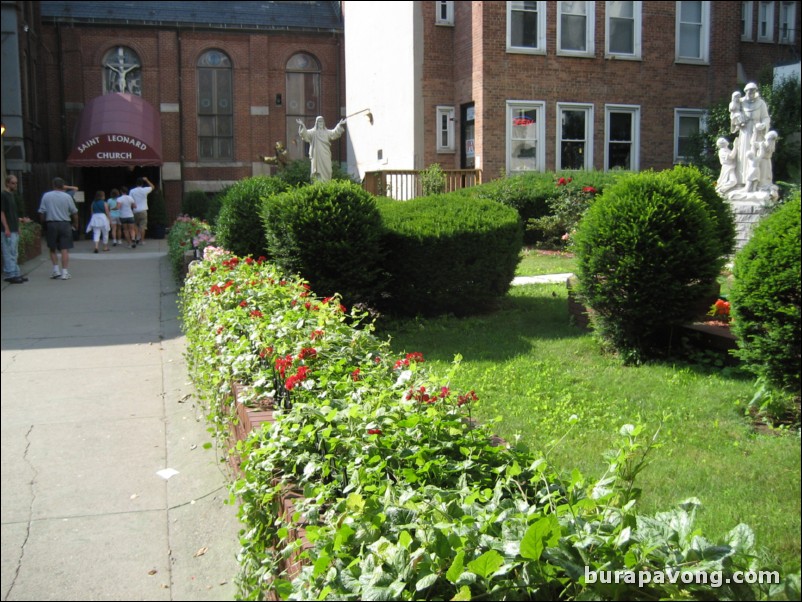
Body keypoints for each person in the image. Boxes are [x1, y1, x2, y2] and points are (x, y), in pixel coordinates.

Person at [38, 177, 79, 280]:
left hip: (51, 223)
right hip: (65, 223)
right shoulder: (67, 197)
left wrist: (43, 223)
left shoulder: (46, 196)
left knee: (52, 248)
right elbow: (74, 212)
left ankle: (55, 270)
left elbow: (41, 212)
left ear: (53, 185)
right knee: (64, 248)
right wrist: (75, 224)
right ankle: (65, 272)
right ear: (63, 186)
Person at [733, 82, 770, 188]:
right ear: (745, 91)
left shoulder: (761, 103)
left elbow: (766, 117)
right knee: (744, 154)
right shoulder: (741, 102)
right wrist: (738, 118)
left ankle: (756, 182)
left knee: (757, 154)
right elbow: (734, 113)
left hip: (757, 132)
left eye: (753, 90)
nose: (751, 92)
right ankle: (742, 181)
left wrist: (763, 125)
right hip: (745, 132)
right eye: (749, 90)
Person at [296, 116, 346, 182]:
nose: (320, 123)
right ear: (316, 123)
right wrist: (302, 125)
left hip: (326, 154)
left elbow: (334, 133)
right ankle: (318, 183)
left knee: (328, 169)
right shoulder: (313, 132)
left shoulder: (327, 132)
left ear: (324, 123)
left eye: (322, 121)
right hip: (317, 155)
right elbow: (306, 134)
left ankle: (327, 183)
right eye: (319, 121)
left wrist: (339, 125)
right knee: (317, 171)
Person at [2, 174, 27, 284]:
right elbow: (2, 212)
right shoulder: (3, 195)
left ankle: (15, 272)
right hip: (7, 229)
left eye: (16, 183)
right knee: (9, 251)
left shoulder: (12, 195)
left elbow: (13, 213)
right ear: (7, 183)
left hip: (13, 227)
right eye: (13, 183)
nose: (15, 185)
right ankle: (10, 274)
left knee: (14, 252)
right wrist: (6, 227)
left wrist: (18, 226)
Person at [130, 176, 154, 244]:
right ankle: (142, 240)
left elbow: (131, 201)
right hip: (143, 210)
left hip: (135, 210)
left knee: (135, 224)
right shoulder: (145, 190)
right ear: (142, 184)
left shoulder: (132, 191)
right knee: (143, 226)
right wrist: (147, 180)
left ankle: (137, 236)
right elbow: (152, 187)